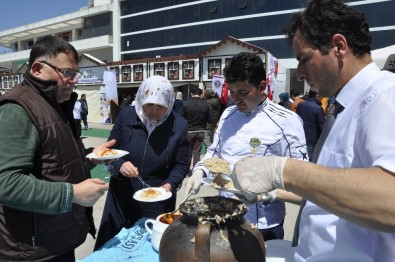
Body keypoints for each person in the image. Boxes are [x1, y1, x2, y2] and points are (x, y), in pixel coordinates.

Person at [231, 0, 395, 260]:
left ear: (339, 47)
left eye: (304, 59)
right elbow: (336, 189)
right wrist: (277, 189)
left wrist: (282, 170)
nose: (299, 73)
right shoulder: (344, 106)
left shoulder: (385, 95)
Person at [0, 35, 113, 261]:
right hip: (31, 249)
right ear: (38, 69)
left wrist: (89, 159)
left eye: (75, 74)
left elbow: (51, 163)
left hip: (56, 238)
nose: (73, 80)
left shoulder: (55, 104)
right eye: (67, 73)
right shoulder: (17, 109)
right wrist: (73, 194)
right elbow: (6, 182)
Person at [185, 52, 307, 241]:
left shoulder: (286, 121)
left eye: (243, 92)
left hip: (262, 223)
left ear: (262, 87)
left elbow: (302, 180)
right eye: (232, 91)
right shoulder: (227, 115)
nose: (235, 98)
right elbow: (215, 152)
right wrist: (199, 172)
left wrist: (268, 194)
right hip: (224, 213)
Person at [94, 75, 190, 250]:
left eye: (160, 106)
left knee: (147, 248)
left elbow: (182, 164)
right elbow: (109, 150)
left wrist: (170, 184)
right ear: (141, 99)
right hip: (121, 195)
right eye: (149, 104)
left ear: (168, 104)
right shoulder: (127, 116)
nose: (154, 110)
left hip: (156, 198)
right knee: (112, 246)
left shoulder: (179, 125)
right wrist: (119, 165)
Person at [180, 86, 213, 168]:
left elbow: (180, 117)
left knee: (188, 152)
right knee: (197, 152)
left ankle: (186, 171)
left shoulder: (185, 104)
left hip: (188, 131)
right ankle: (195, 169)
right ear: (201, 94)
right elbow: (210, 119)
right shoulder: (206, 104)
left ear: (191, 94)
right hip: (201, 131)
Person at [296, 90, 325, 162]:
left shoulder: (300, 105)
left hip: (301, 137)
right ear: (316, 96)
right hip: (312, 141)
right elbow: (322, 127)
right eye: (321, 96)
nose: (322, 98)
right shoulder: (318, 108)